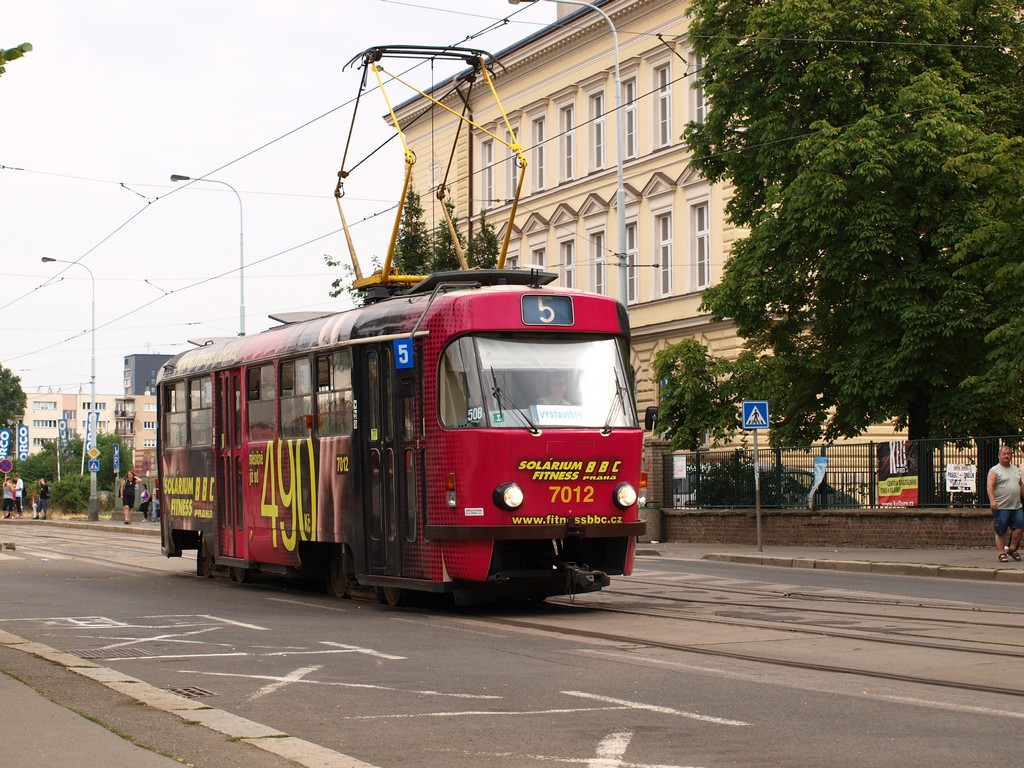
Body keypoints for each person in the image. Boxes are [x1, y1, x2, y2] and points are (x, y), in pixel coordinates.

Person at [987, 444, 1024, 562]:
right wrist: (992, 501)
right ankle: (1001, 552)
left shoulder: (1016, 469)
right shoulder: (994, 470)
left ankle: (1012, 549)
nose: (1006, 456)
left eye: (1008, 454)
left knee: (1020, 526)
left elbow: (1020, 485)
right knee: (1001, 530)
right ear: (999, 456)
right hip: (1001, 506)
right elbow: (990, 486)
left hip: (1016, 506)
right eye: (1004, 454)